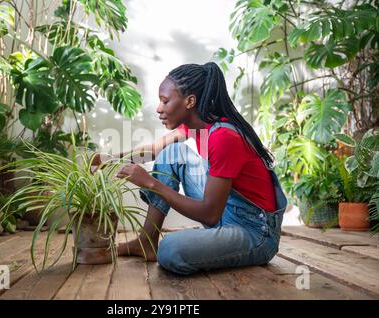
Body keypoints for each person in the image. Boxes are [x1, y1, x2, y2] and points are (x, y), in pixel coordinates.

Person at [94, 62, 287, 275]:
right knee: (172, 153)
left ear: (190, 101)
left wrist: (150, 183)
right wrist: (109, 159)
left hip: (255, 232)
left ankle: (180, 246)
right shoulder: (197, 126)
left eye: (165, 101)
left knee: (171, 250)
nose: (159, 108)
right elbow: (153, 150)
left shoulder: (224, 137)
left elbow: (210, 215)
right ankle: (146, 242)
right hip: (227, 211)